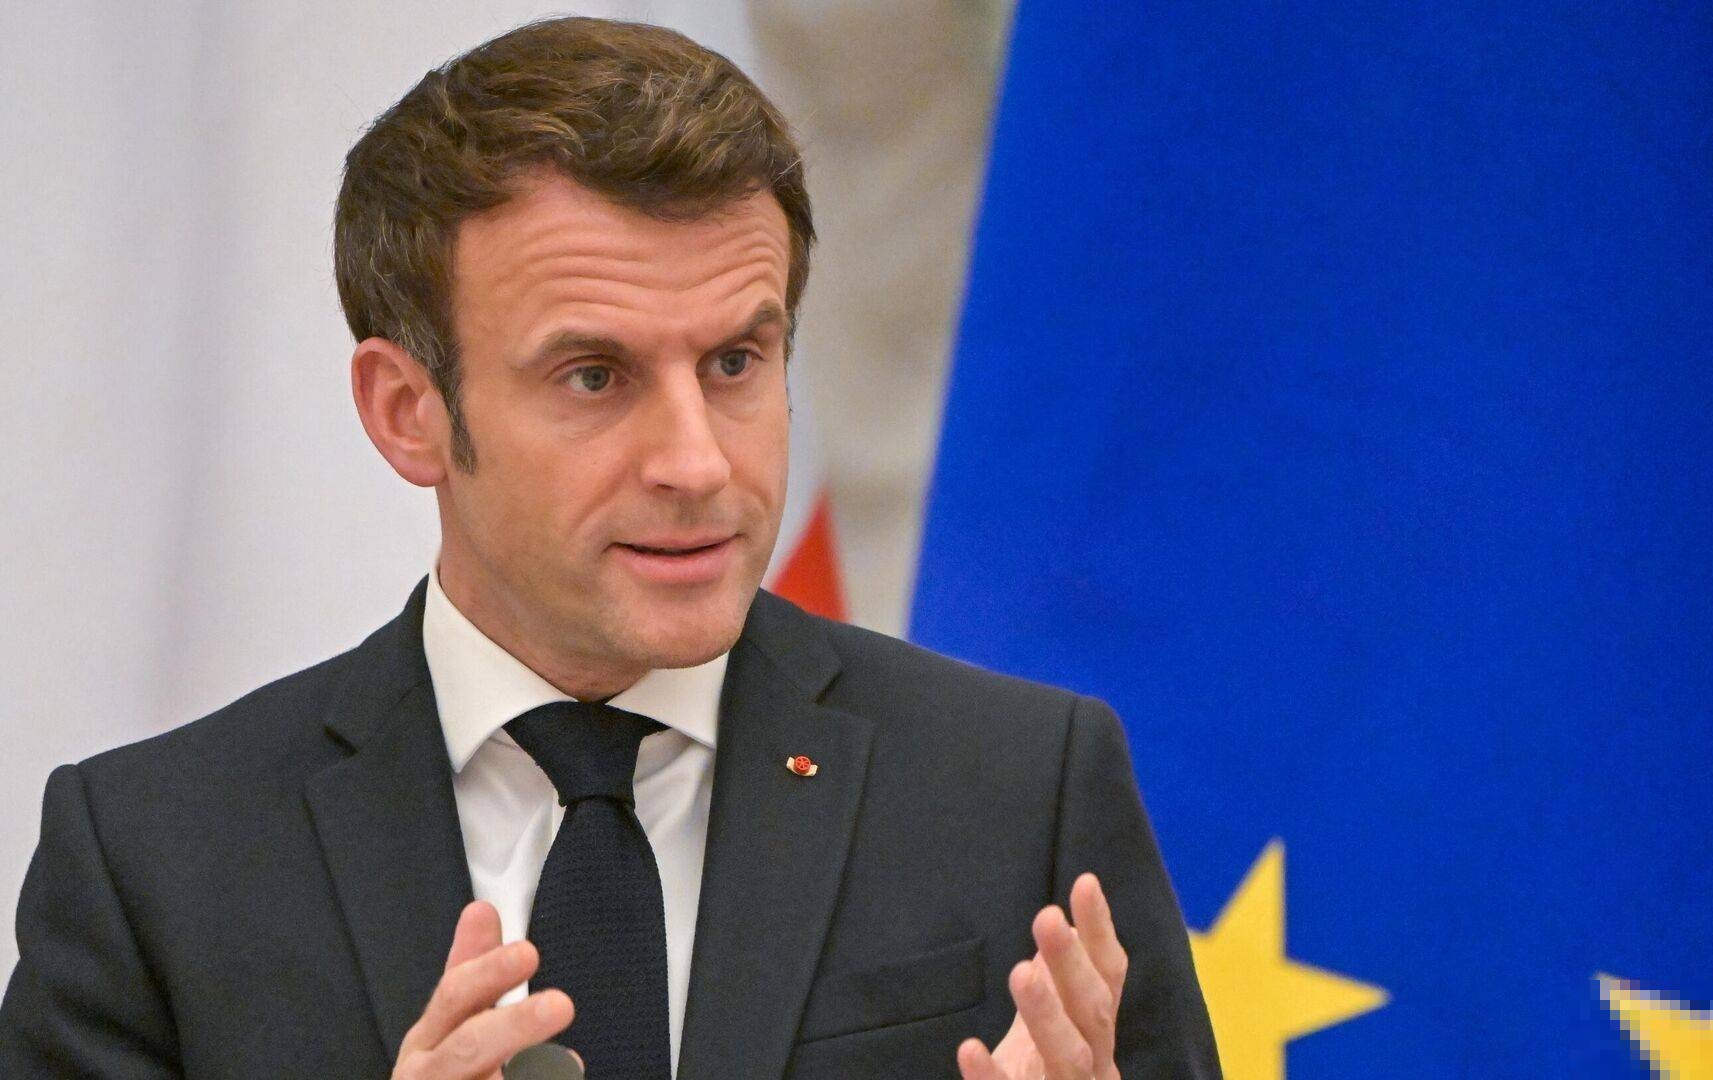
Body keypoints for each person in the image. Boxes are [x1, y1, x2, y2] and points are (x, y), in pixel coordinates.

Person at [0, 17, 1219, 1079]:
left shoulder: (1020, 791)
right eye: (595, 375)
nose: (698, 463)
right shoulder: (156, 863)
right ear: (408, 412)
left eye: (736, 362)